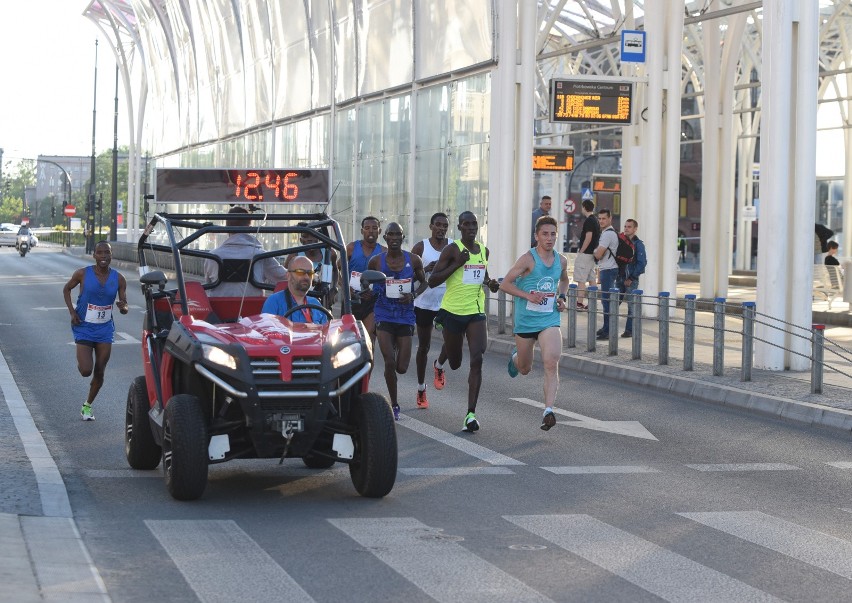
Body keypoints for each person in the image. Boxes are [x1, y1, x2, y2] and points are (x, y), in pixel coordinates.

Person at [428, 211, 501, 432]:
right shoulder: (452, 250)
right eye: (466, 224)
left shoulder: (483, 250)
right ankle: (439, 363)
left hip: (476, 311)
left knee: (477, 358)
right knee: (456, 362)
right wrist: (457, 264)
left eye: (474, 224)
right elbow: (432, 281)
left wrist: (491, 284)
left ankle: (470, 414)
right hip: (452, 311)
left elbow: (483, 276)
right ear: (459, 228)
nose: (471, 227)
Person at [500, 216, 570, 430]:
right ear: (536, 236)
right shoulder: (527, 260)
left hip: (549, 319)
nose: (549, 239)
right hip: (526, 321)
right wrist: (527, 296)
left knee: (551, 361)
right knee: (525, 368)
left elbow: (564, 280)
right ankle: (515, 359)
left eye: (553, 234)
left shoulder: (562, 260)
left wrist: (562, 297)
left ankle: (548, 410)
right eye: (545, 234)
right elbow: (505, 284)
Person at [62, 241, 130, 421]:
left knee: (99, 371)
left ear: (111, 255)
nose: (103, 256)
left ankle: (87, 405)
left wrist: (123, 307)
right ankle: (81, 359)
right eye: (99, 253)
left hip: (105, 329)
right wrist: (72, 312)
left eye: (107, 253)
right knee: (86, 370)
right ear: (94, 255)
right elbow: (66, 289)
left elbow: (125, 306)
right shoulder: (83, 273)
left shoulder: (119, 278)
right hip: (84, 326)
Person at [367, 222, 428, 421]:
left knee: (402, 367)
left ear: (403, 237)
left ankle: (394, 353)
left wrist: (413, 295)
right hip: (384, 313)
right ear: (385, 238)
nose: (394, 238)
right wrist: (366, 293)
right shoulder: (376, 261)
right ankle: (394, 404)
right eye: (390, 235)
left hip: (405, 315)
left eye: (398, 235)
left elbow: (424, 282)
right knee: (389, 361)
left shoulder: (414, 260)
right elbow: (367, 283)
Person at [411, 212, 452, 409]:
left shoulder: (452, 246)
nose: (442, 228)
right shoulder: (421, 247)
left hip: (447, 302)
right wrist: (426, 268)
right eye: (438, 225)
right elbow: (408, 273)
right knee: (424, 347)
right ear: (431, 226)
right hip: (424, 303)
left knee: (453, 343)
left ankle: (439, 365)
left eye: (445, 225)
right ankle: (421, 388)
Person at [204, 206, 288, 297]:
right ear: (250, 228)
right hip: (254, 308)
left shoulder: (212, 256)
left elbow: (208, 285)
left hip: (218, 309)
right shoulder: (261, 256)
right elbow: (285, 277)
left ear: (227, 228)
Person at [345, 216, 385, 340]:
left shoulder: (384, 252)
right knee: (349, 339)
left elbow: (386, 278)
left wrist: (374, 291)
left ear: (379, 231)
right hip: (352, 300)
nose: (371, 231)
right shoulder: (351, 248)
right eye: (367, 228)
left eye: (374, 228)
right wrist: (347, 288)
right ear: (362, 231)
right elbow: (339, 270)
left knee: (368, 338)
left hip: (372, 301)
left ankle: (369, 359)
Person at [261, 256, 330, 324]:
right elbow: (267, 332)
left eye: (310, 273)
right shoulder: (274, 302)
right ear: (288, 275)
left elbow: (326, 333)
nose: (306, 277)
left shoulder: (316, 303)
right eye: (300, 272)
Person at [285, 224, 340, 308]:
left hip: (324, 296)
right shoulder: (294, 255)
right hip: (300, 297)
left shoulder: (330, 252)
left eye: (313, 236)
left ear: (318, 238)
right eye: (306, 237)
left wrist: (334, 288)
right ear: (301, 240)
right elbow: (284, 277)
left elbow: (335, 270)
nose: (310, 239)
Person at [617, 219, 647, 338]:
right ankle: (609, 328)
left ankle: (629, 330)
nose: (626, 228)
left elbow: (642, 263)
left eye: (629, 227)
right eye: (625, 226)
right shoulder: (621, 241)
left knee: (631, 306)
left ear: (635, 229)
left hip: (630, 279)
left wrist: (632, 277)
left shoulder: (638, 244)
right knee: (613, 303)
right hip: (619, 277)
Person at [593, 209, 619, 341]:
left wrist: (594, 251)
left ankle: (608, 330)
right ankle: (606, 327)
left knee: (607, 301)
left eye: (604, 218)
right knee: (606, 301)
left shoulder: (608, 234)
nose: (601, 221)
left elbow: (598, 254)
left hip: (608, 270)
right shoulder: (607, 233)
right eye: (600, 218)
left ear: (610, 219)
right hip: (608, 269)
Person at [573, 200, 599, 310]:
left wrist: (581, 251)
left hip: (586, 254)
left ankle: (579, 303)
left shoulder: (589, 221)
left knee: (581, 279)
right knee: (591, 278)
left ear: (584, 207)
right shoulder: (596, 220)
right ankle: (593, 303)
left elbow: (588, 237)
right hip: (592, 254)